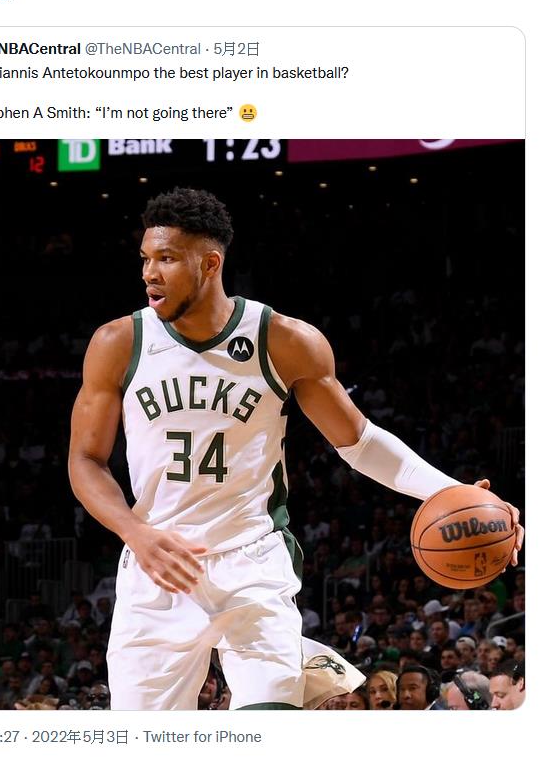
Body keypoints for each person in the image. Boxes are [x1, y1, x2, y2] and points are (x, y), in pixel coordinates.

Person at [68, 187, 524, 711]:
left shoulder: (282, 340)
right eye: (146, 259)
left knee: (269, 728)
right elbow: (85, 460)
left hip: (252, 563)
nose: (150, 273)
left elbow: (359, 442)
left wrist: (458, 494)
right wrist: (134, 532)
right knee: (144, 742)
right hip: (157, 567)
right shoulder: (119, 343)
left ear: (211, 263)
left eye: (166, 259)